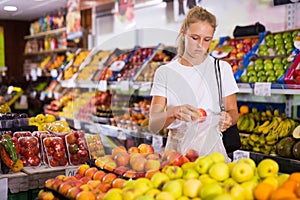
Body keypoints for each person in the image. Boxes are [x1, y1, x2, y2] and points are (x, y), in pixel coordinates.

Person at [148, 6, 239, 159]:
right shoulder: (165, 72)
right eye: (195, 38)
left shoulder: (222, 69)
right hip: (176, 152)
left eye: (207, 40)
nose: (200, 45)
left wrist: (228, 119)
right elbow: (154, 124)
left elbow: (233, 111)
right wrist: (173, 112)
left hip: (212, 150)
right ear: (183, 34)